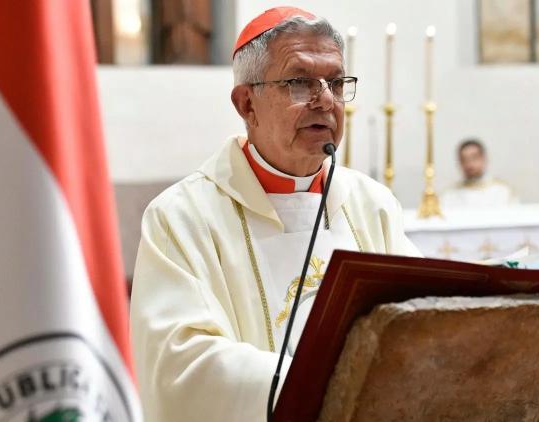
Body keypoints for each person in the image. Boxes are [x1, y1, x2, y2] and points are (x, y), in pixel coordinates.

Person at [130, 7, 420, 422]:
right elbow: (184, 366)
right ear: (247, 104)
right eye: (299, 82)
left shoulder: (371, 205)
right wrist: (333, 383)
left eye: (336, 83)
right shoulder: (182, 218)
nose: (325, 100)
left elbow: (419, 319)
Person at [440, 138, 517, 208]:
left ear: (484, 159)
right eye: (464, 159)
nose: (469, 164)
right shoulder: (449, 195)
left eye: (474, 158)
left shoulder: (502, 191)